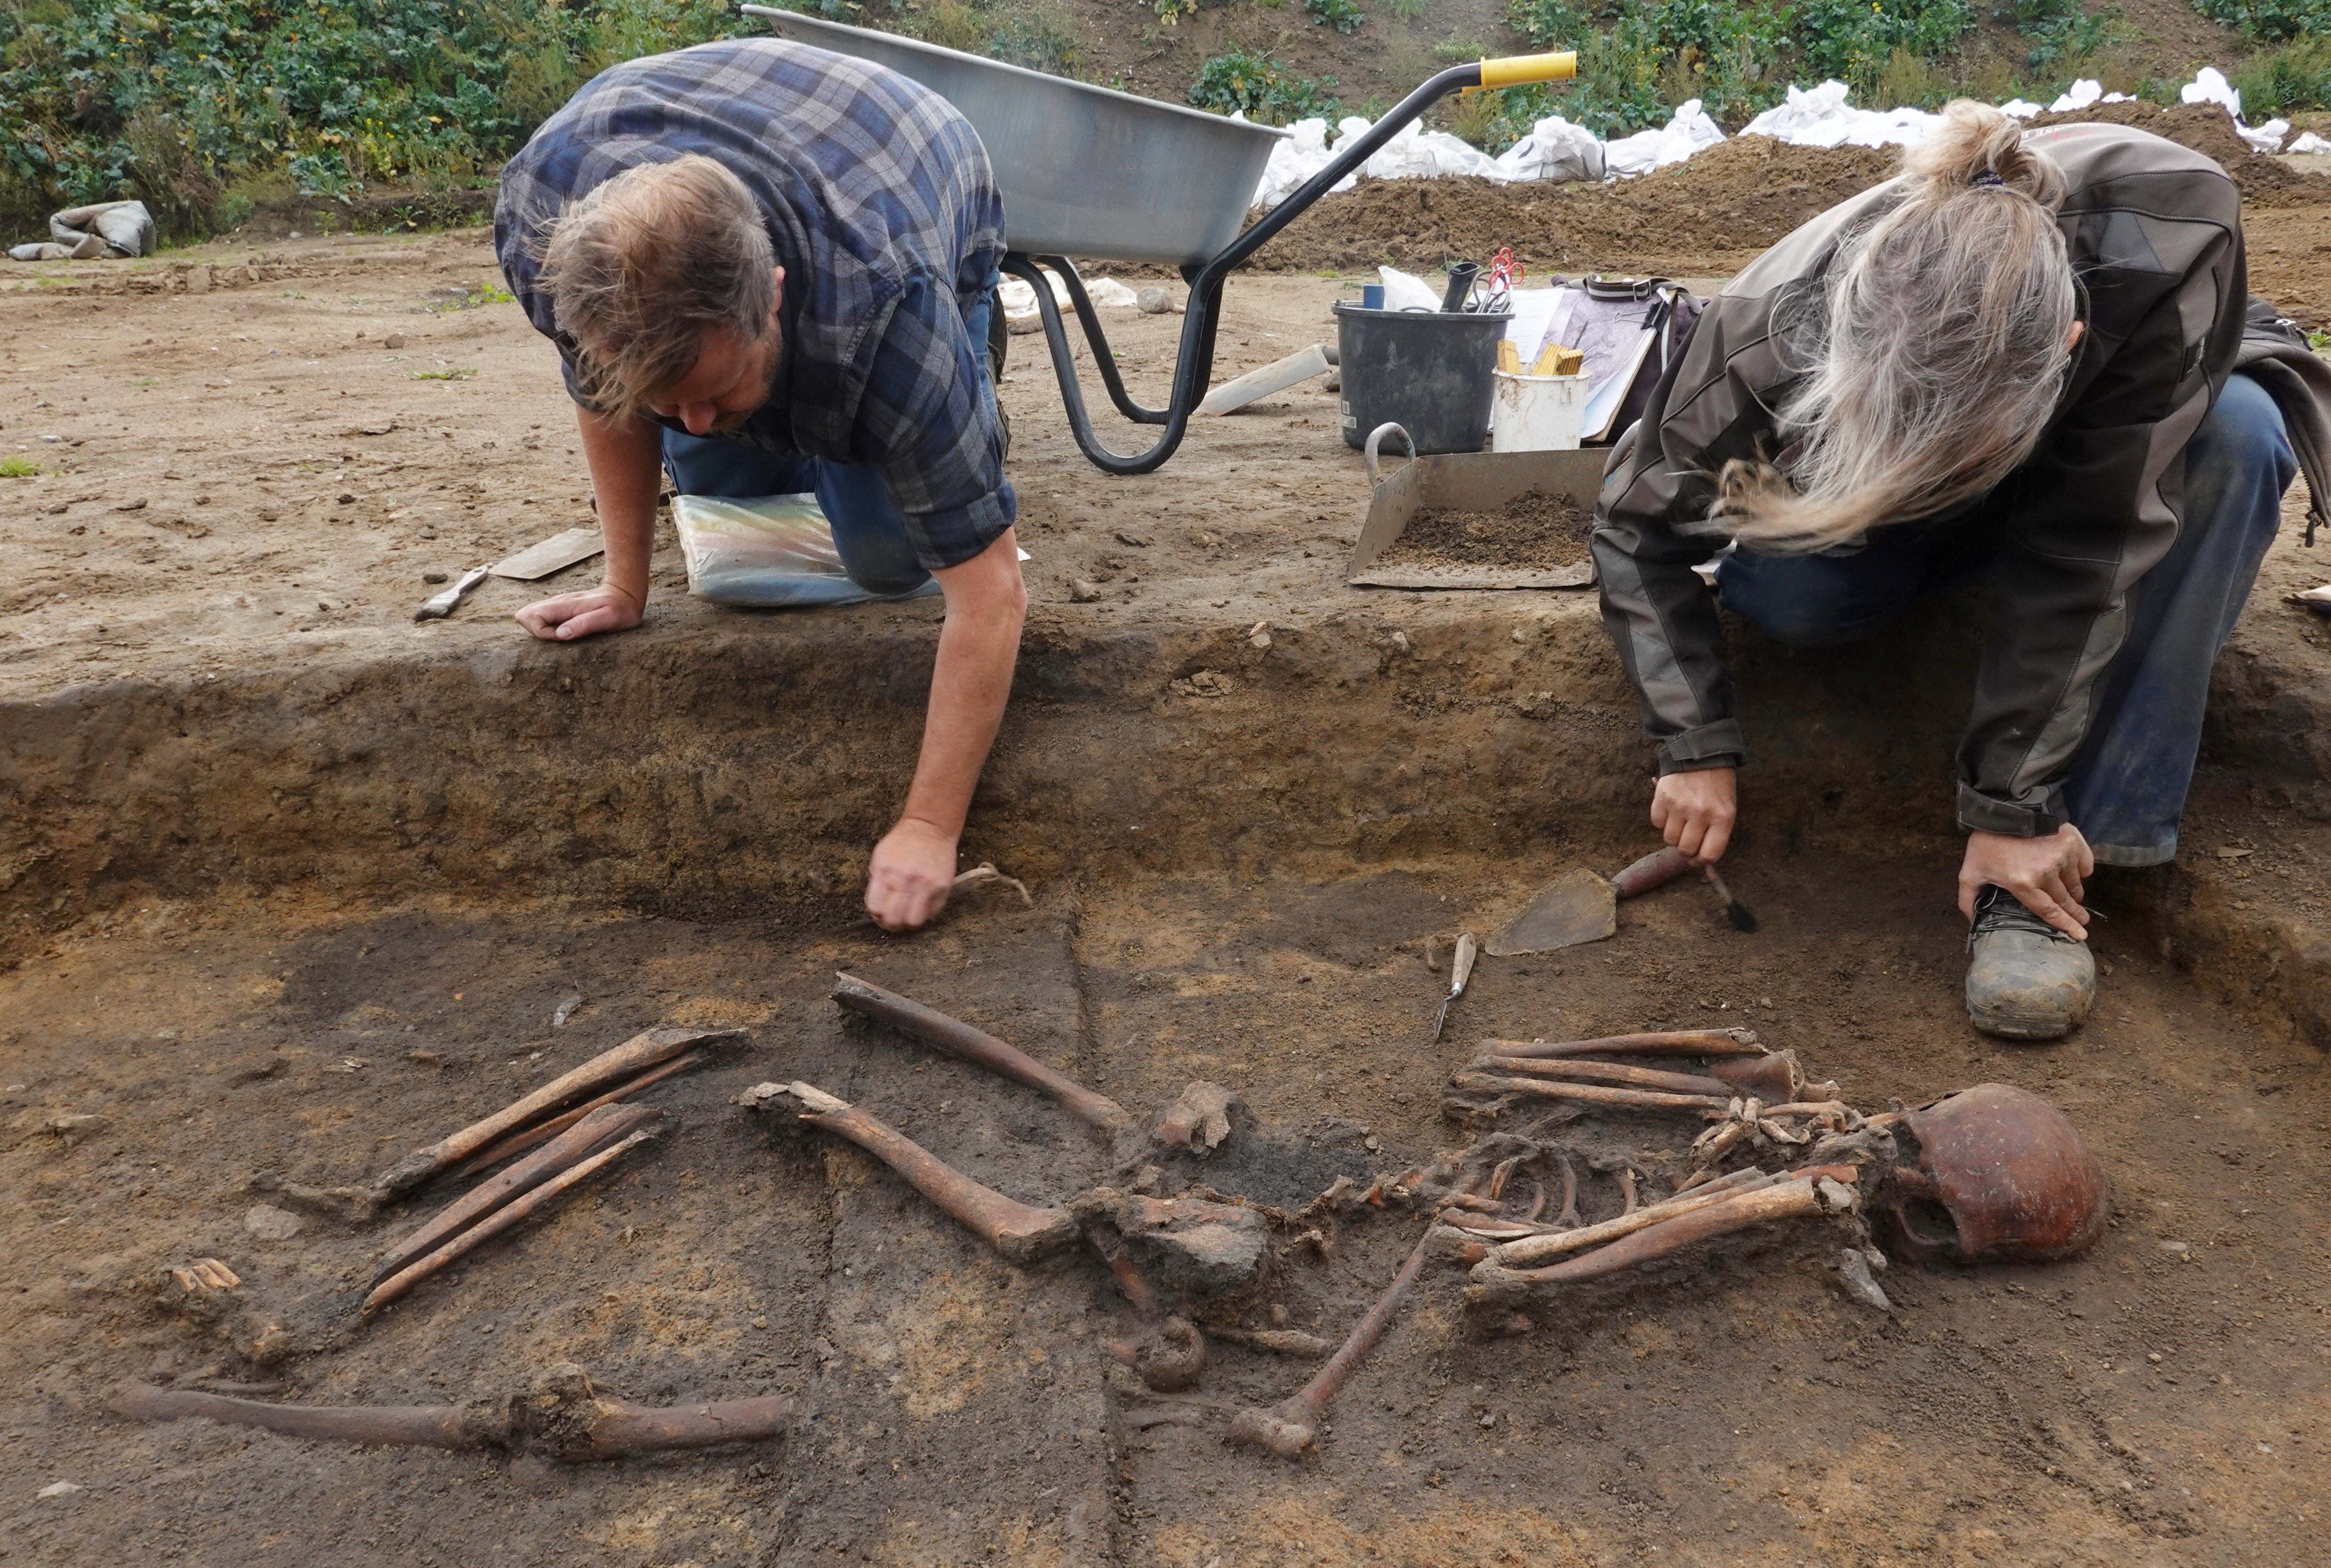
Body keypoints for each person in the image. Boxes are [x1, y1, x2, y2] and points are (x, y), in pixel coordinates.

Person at [1593, 100, 2330, 1041]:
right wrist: (1692, 742)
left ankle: (2060, 870)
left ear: (2067, 351)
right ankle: (1929, 568)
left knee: (2237, 439)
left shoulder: (2171, 231)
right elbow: (1629, 521)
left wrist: (2012, 810)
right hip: (1906, 492)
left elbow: (2091, 541)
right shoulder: (1769, 328)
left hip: (2106, 448)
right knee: (1798, 590)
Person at [492, 37, 1024, 934]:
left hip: (912, 158)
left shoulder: (888, 306)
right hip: (695, 138)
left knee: (891, 557)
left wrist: (930, 825)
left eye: (712, 390)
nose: (688, 422)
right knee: (724, 465)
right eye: (669, 400)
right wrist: (627, 584)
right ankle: (789, 414)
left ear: (772, 294)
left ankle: (961, 398)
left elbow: (994, 597)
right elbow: (603, 392)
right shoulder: (543, 227)